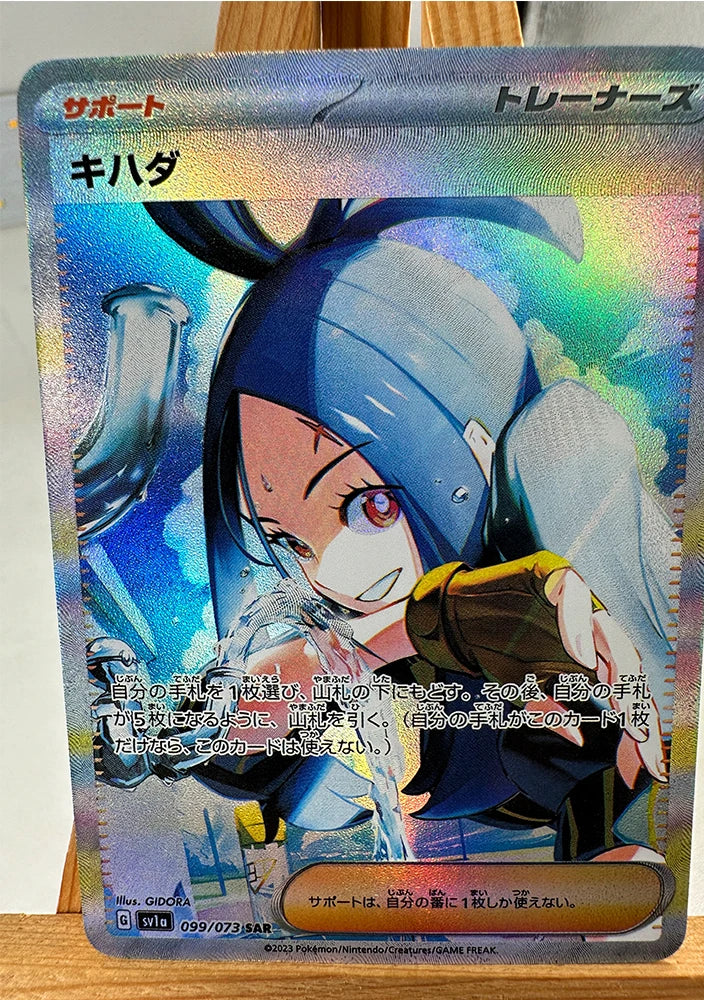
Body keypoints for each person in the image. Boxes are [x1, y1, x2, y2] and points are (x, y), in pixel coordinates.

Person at [93, 197, 669, 862]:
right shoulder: (322, 648)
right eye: (287, 539)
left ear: (476, 450)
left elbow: (593, 686)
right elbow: (244, 710)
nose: (330, 573)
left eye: (369, 509)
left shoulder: (551, 524)